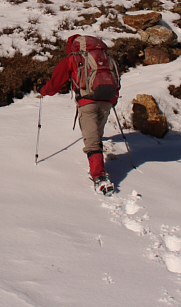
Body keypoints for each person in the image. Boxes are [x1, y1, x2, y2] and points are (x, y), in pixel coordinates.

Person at [39, 34, 121, 194]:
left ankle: (100, 178)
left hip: (87, 102)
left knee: (92, 142)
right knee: (96, 135)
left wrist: (43, 90)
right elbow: (115, 78)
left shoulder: (75, 58)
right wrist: (113, 99)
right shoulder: (105, 57)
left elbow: (56, 82)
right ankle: (98, 166)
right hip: (106, 100)